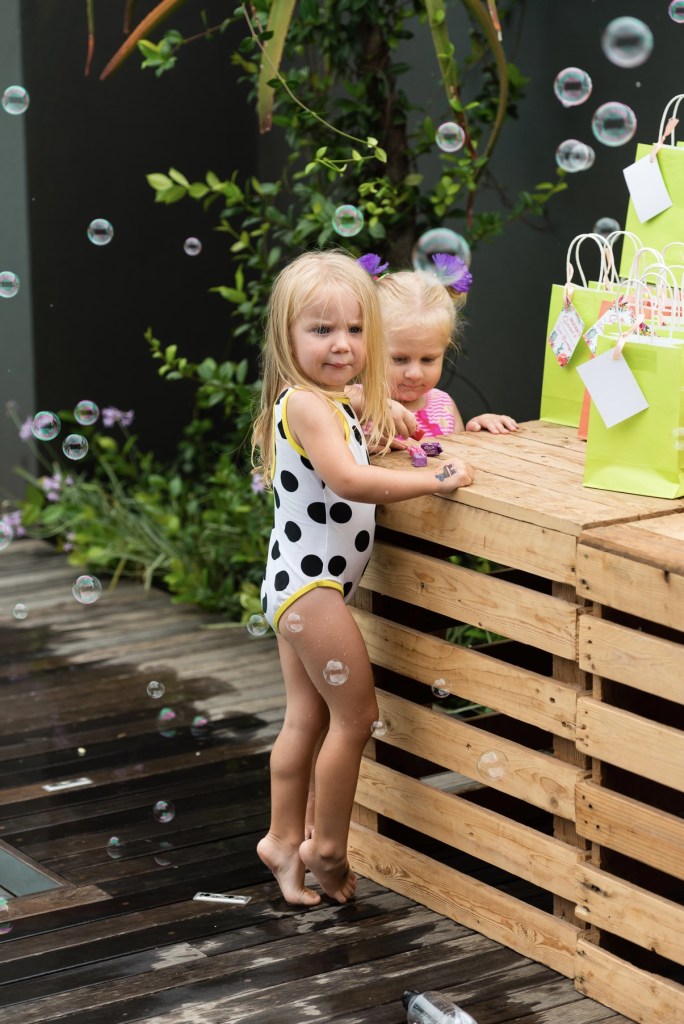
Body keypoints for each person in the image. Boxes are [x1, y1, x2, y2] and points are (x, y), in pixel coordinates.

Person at [252, 250, 474, 907]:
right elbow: (349, 481)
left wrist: (390, 429)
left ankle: (281, 841)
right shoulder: (308, 405)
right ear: (287, 335)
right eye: (321, 330)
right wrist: (435, 479)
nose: (342, 344)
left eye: (355, 329)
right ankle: (327, 848)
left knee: (306, 719)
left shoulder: (325, 401)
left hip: (296, 585)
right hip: (313, 590)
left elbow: (354, 442)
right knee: (357, 717)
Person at [376, 268, 518, 440]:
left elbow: (457, 452)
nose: (414, 374)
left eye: (427, 359)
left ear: (445, 347)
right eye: (399, 359)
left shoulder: (444, 404)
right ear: (369, 347)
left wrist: (476, 432)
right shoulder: (358, 403)